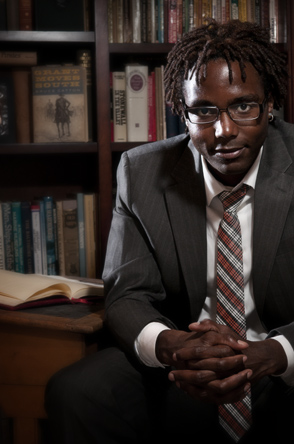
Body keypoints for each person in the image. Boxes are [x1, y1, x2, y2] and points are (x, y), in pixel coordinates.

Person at [45, 20, 294, 444]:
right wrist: (173, 347)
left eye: (244, 107)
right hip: (185, 365)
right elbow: (127, 294)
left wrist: (276, 353)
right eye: (204, 111)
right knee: (76, 392)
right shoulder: (142, 172)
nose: (224, 131)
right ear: (183, 111)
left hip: (282, 361)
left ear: (269, 104)